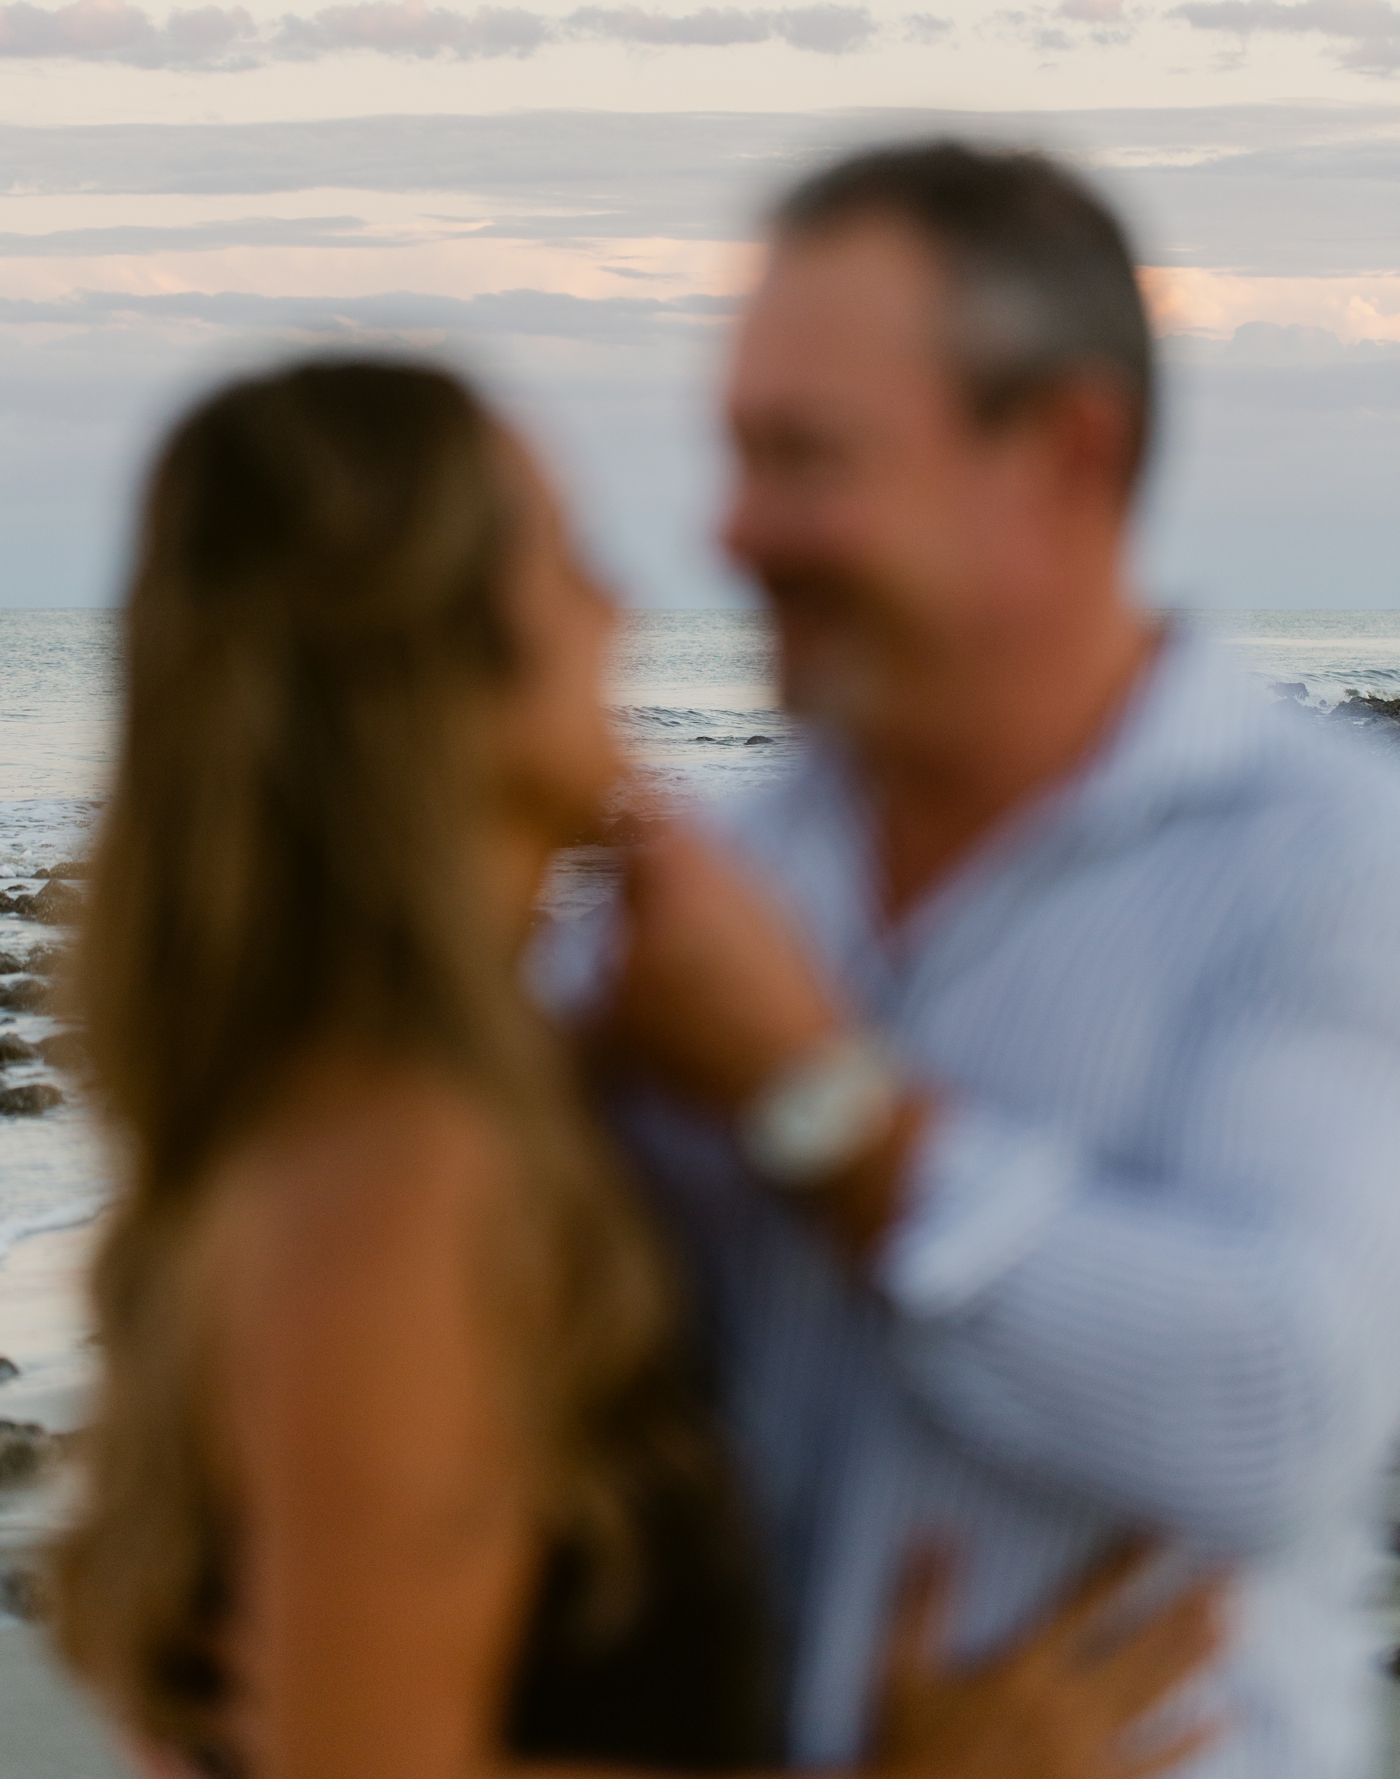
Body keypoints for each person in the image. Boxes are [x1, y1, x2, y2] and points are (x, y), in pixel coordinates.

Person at [45, 357, 1219, 1779]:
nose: (625, 609)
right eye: (568, 559)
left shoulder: (408, 1113)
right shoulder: (399, 1170)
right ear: (440, 663)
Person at [567, 143, 1400, 1779]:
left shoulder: (1320, 862)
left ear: (1064, 456)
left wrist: (829, 1112)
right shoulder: (713, 879)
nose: (731, 533)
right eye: (735, 457)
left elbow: (1278, 1417)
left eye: (805, 460)